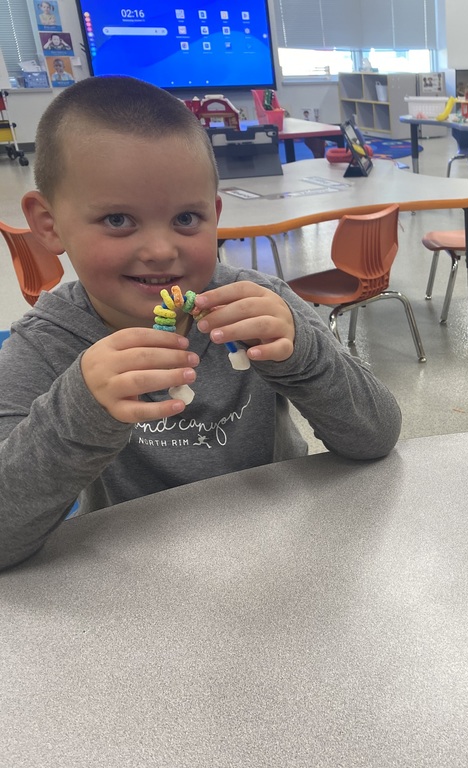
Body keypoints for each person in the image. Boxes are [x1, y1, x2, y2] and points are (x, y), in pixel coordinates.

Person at [0, 76, 403, 569]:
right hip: (141, 573)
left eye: (186, 219)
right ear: (48, 223)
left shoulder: (263, 305)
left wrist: (304, 357)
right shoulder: (47, 344)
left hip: (288, 550)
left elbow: (378, 435)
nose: (160, 250)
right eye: (118, 220)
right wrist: (80, 409)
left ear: (215, 215)